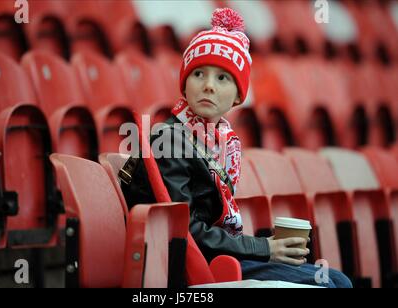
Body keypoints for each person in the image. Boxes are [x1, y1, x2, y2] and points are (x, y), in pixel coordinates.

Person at [121, 7, 352, 288]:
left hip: (221, 256)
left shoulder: (219, 140)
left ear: (238, 96)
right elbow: (185, 231)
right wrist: (265, 248)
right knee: (330, 284)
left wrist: (262, 248)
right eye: (198, 74)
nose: (208, 86)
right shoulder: (170, 140)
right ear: (185, 84)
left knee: (337, 280)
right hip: (197, 267)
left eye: (222, 78)